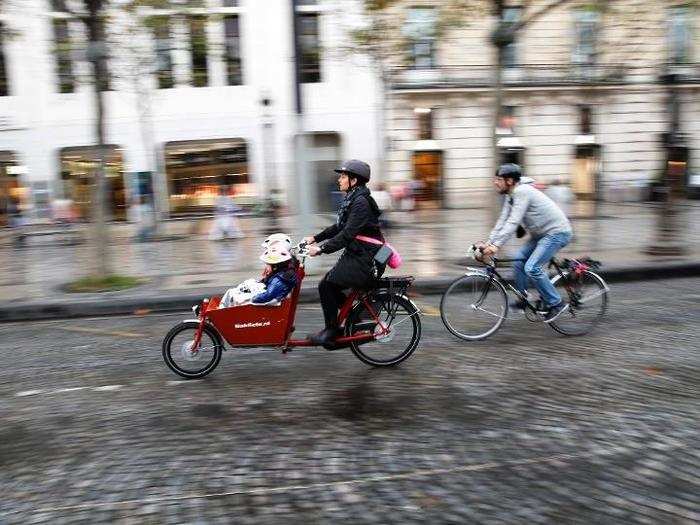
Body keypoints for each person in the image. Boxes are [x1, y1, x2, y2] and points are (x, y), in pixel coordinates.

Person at [303, 159, 385, 346]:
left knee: (327, 285)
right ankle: (356, 317)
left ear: (354, 180)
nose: (339, 180)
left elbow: (347, 234)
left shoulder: (361, 202)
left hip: (368, 258)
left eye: (343, 176)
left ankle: (332, 331)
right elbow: (339, 226)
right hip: (360, 254)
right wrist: (315, 238)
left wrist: (322, 249)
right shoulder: (354, 198)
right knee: (327, 285)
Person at [479, 164, 573, 322]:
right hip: (541, 235)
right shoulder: (510, 195)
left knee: (532, 267)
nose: (495, 182)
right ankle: (523, 298)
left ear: (509, 181)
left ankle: (556, 303)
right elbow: (503, 221)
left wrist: (496, 246)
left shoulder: (522, 191)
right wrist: (489, 242)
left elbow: (513, 222)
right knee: (519, 261)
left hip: (557, 232)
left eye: (498, 179)